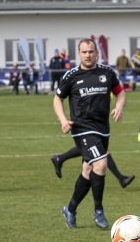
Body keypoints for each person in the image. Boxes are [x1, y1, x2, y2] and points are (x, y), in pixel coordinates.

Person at [52, 39, 126, 229]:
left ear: (97, 53)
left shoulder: (107, 73)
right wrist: (62, 120)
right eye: (84, 52)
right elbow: (57, 99)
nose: (88, 55)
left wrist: (119, 107)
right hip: (82, 128)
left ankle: (70, 209)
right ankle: (99, 211)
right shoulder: (72, 75)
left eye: (91, 52)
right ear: (79, 54)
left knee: (88, 171)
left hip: (102, 128)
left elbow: (120, 93)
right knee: (101, 165)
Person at [50, 148, 134, 188]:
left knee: (93, 147)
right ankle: (120, 178)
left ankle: (60, 158)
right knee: (101, 147)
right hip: (85, 119)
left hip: (90, 119)